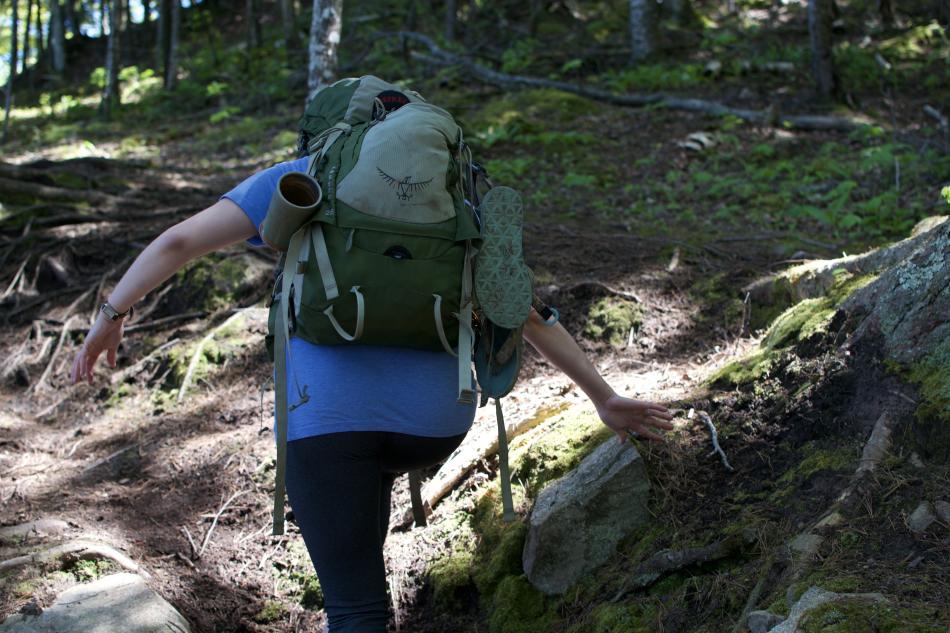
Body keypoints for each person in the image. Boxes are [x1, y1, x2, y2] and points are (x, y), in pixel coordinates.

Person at [70, 156, 674, 633]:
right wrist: (603, 397)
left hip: (332, 428)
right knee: (371, 476)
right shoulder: (453, 198)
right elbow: (526, 311)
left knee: (354, 609)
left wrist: (113, 313)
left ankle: (361, 597)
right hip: (435, 427)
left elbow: (179, 242)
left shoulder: (299, 178)